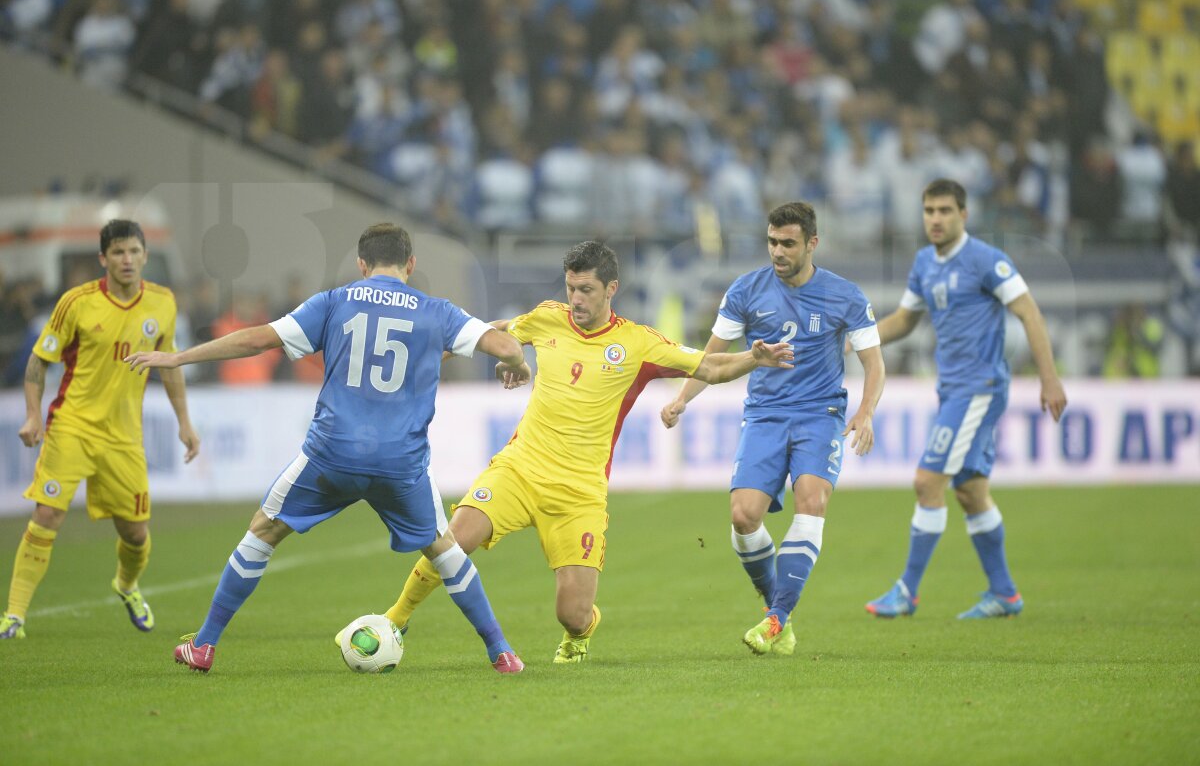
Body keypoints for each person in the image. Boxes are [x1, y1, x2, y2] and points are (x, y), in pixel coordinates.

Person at [126, 224, 527, 674]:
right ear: (410, 265)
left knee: (263, 531)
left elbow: (257, 339)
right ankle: (501, 652)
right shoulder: (437, 312)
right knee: (444, 548)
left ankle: (204, 645)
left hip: (332, 453)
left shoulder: (334, 301)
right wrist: (515, 366)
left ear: (361, 264)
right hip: (400, 462)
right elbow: (506, 345)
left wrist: (178, 358)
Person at [381, 241, 794, 663]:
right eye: (571, 288)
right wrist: (434, 350)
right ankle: (395, 620)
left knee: (572, 614)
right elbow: (497, 332)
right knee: (454, 539)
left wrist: (753, 359)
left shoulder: (638, 343)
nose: (575, 299)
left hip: (579, 493)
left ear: (610, 288)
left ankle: (581, 633)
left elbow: (708, 366)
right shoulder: (548, 318)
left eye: (586, 290)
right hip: (520, 470)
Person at [660, 202, 885, 655]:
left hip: (820, 415)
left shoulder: (845, 295)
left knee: (812, 499)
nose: (777, 251)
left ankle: (778, 619)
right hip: (764, 415)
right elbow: (711, 357)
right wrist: (682, 398)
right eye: (772, 242)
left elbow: (874, 363)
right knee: (743, 517)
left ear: (811, 244)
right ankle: (774, 605)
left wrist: (865, 411)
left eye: (788, 243)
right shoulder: (746, 291)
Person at [864, 178, 1067, 620]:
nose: (935, 219)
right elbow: (905, 320)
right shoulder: (924, 262)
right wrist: (859, 337)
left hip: (979, 387)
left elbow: (1029, 311)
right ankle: (1005, 593)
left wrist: (1049, 379)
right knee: (971, 491)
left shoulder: (985, 261)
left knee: (926, 482)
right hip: (952, 388)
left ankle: (906, 592)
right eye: (928, 211)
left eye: (944, 211)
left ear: (963, 215)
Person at [0, 220, 201, 641]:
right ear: (103, 259)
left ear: (145, 256)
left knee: (135, 532)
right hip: (72, 424)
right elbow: (39, 362)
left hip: (124, 436)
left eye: (133, 252)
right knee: (47, 513)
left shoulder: (163, 303)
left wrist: (184, 422)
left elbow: (169, 367)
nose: (126, 260)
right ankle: (14, 615)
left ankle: (126, 585)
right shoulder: (77, 302)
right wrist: (34, 415)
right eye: (118, 253)